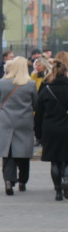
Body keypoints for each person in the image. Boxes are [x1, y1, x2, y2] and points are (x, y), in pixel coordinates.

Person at [0, 56, 38, 195]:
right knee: (23, 153)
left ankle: (8, 181)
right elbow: (36, 103)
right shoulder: (30, 84)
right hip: (24, 120)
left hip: (6, 120)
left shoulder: (2, 82)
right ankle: (22, 181)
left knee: (8, 153)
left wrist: (0, 113)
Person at [34, 54, 68, 200]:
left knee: (55, 160)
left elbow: (38, 114)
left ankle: (58, 191)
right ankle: (66, 179)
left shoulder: (46, 90)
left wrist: (38, 134)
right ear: (66, 72)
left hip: (50, 128)